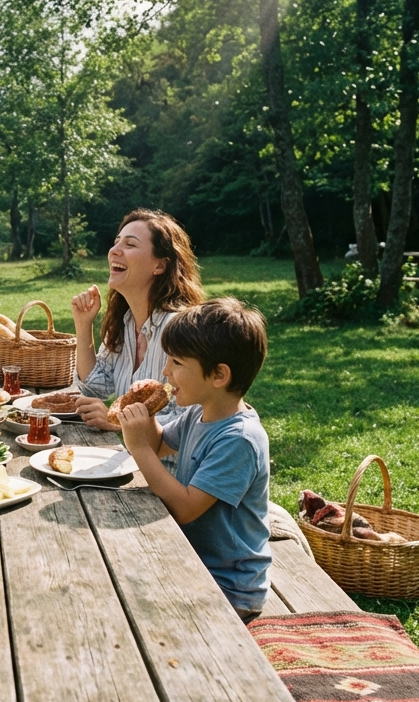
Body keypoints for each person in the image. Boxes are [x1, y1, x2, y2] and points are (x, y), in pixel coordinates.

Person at [115, 297, 272, 621]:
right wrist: (145, 415)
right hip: (193, 561)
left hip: (229, 587)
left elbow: (185, 509)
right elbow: (159, 444)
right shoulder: (198, 414)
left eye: (176, 362)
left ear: (218, 376)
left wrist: (139, 449)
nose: (165, 371)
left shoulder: (238, 440)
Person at [71, 209, 204, 433]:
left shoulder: (182, 330)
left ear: (160, 266)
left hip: (175, 467)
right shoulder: (126, 322)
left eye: (130, 245)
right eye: (116, 242)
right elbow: (95, 387)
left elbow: (193, 421)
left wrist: (117, 421)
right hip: (135, 460)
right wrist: (84, 325)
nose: (114, 251)